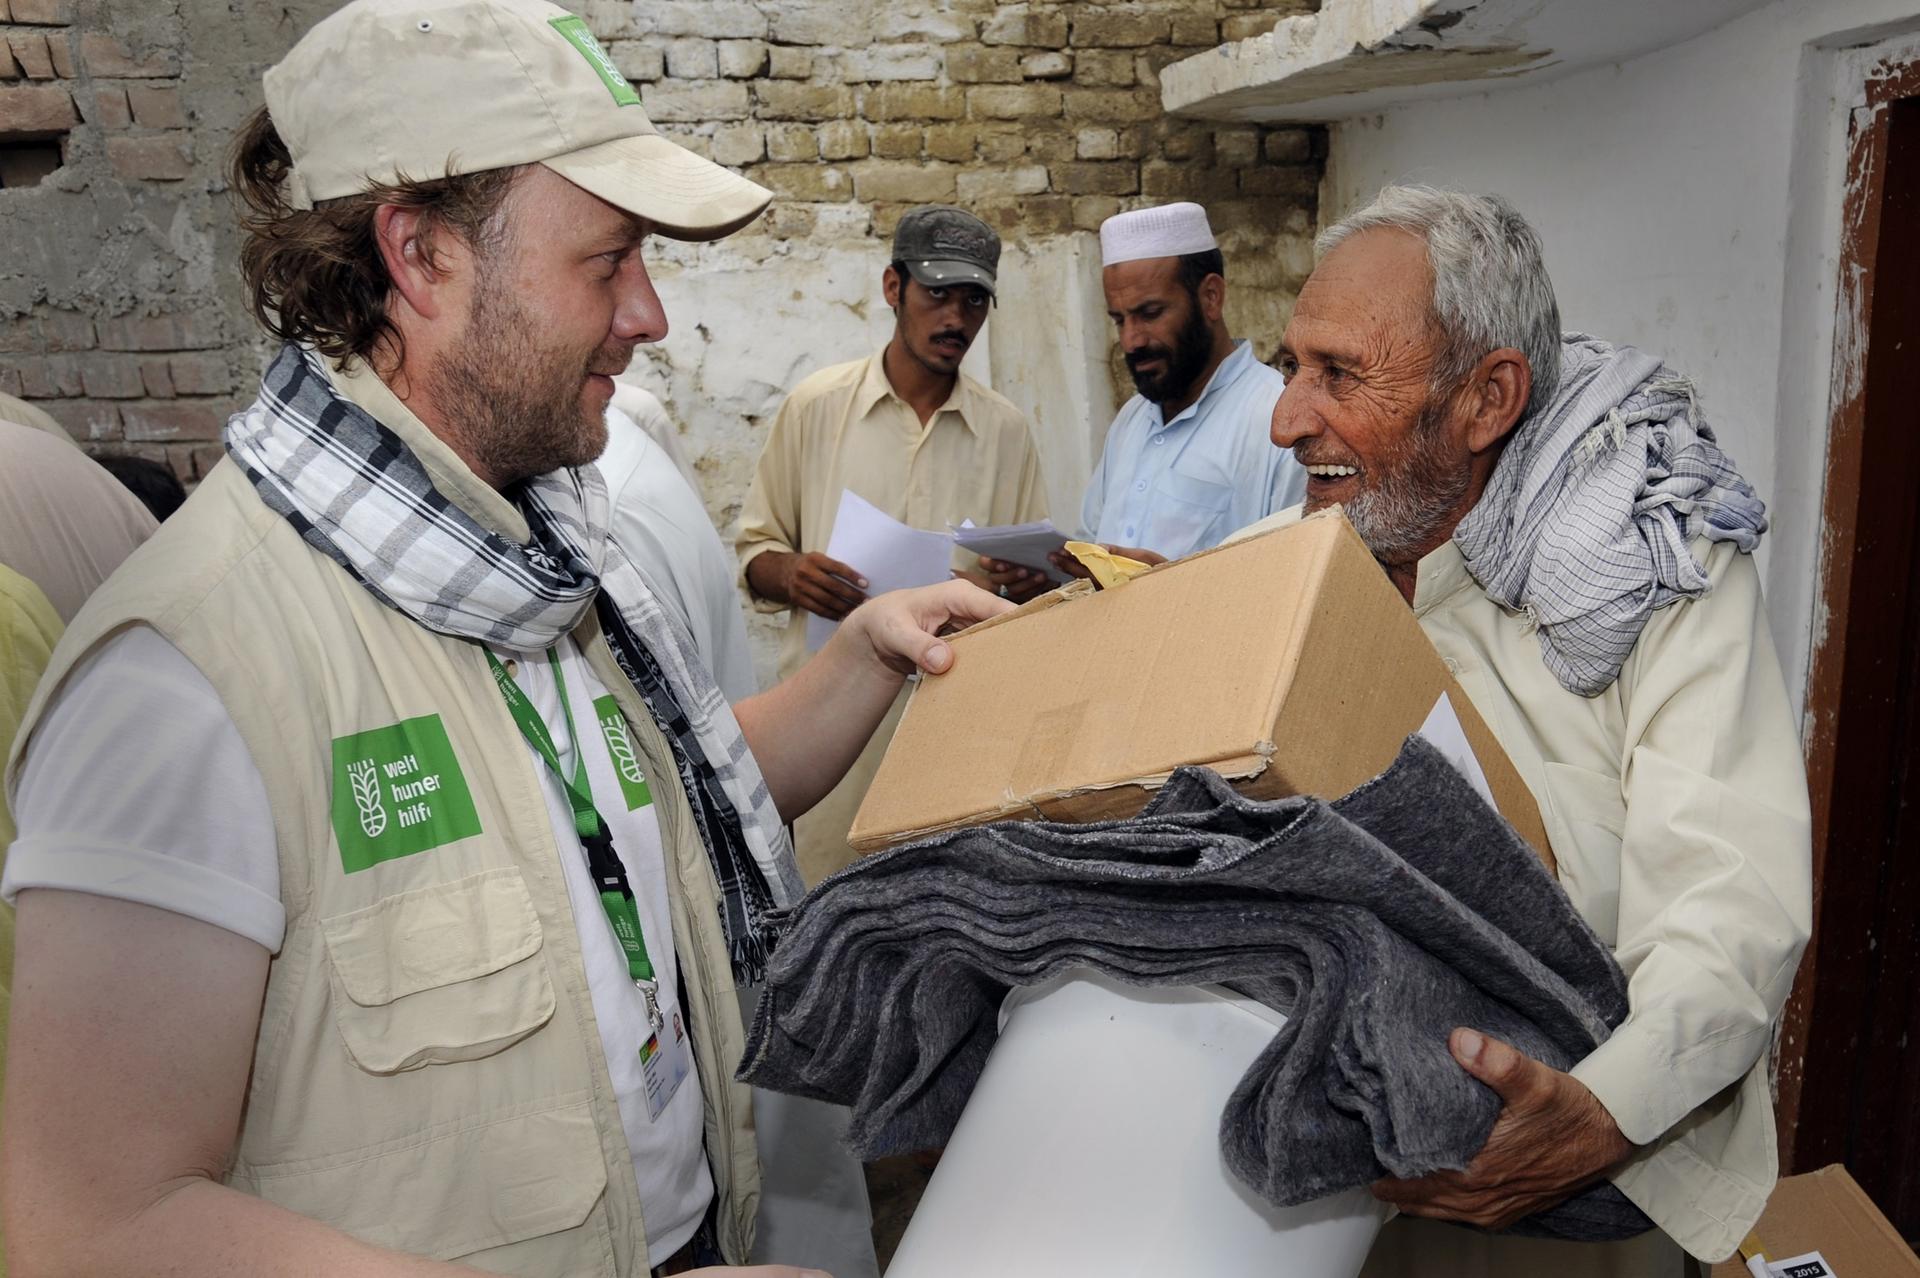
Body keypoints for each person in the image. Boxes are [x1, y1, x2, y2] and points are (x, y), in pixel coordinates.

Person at [0, 3, 1010, 1274]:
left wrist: (864, 648)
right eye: (608, 260)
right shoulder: (187, 677)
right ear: (421, 256)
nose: (650, 316)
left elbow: (663, 798)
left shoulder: (532, 568)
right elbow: (86, 1226)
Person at [1236, 185, 1811, 1276]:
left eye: (1340, 376)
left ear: (1487, 397)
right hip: (1305, 1196)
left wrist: (1598, 1112)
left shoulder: (1647, 572)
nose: (1286, 420)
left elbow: (1731, 892)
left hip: (1573, 1180)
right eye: (1290, 367)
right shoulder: (1286, 563)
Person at [597, 391, 880, 1278]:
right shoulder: (812, 411)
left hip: (718, 911)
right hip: (742, 874)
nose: (646, 313)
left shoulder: (618, 513)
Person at [735, 205, 1049, 884]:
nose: (957, 319)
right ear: (892, 289)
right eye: (937, 294)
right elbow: (754, 553)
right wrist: (791, 575)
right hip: (832, 744)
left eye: (974, 301)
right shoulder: (817, 407)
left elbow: (1032, 580)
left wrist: (1030, 582)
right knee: (827, 921)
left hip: (957, 737)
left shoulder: (1007, 432)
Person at [1042, 202, 1302, 581]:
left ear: (1211, 296)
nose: (1131, 340)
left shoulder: (1278, 419)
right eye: (1119, 320)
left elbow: (1292, 585)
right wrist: (1048, 576)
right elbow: (1090, 553)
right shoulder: (1130, 420)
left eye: (1150, 313)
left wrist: (1172, 588)